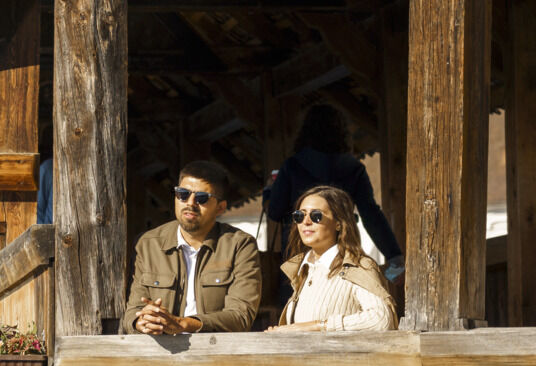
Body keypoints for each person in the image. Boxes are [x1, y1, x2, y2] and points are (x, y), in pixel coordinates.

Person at [124, 161, 263, 335]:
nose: (190, 203)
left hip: (216, 353)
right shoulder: (148, 244)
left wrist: (184, 324)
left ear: (220, 207)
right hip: (159, 352)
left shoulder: (240, 245)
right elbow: (131, 312)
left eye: (202, 198)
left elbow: (241, 316)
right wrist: (141, 321)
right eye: (183, 194)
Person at [263, 105, 401, 274]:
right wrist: (394, 255)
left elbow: (275, 212)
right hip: (341, 251)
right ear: (342, 133)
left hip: (299, 251)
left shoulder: (293, 166)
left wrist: (269, 190)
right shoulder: (354, 168)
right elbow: (371, 214)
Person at [272, 184, 397, 332]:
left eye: (316, 215)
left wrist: (319, 326)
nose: (306, 222)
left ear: (338, 223)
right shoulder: (303, 270)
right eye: (300, 215)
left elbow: (382, 320)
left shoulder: (358, 266)